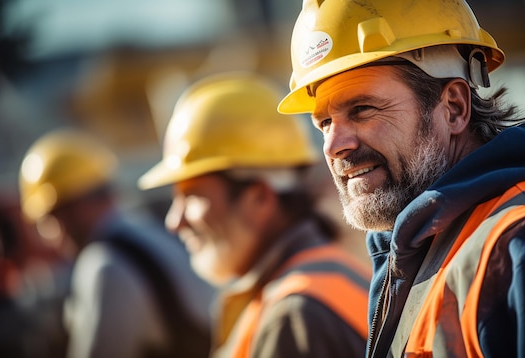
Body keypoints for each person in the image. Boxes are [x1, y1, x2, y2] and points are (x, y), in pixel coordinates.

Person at [277, 1, 525, 357]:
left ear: (454, 107)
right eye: (324, 123)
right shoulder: (417, 255)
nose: (335, 145)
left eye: (362, 109)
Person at [138, 72, 371, 358]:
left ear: (260, 197)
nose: (175, 222)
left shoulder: (294, 315)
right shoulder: (327, 273)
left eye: (192, 197)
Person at [18, 128, 215, 358]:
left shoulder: (104, 266)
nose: (48, 237)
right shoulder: (145, 230)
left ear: (71, 210)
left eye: (48, 221)